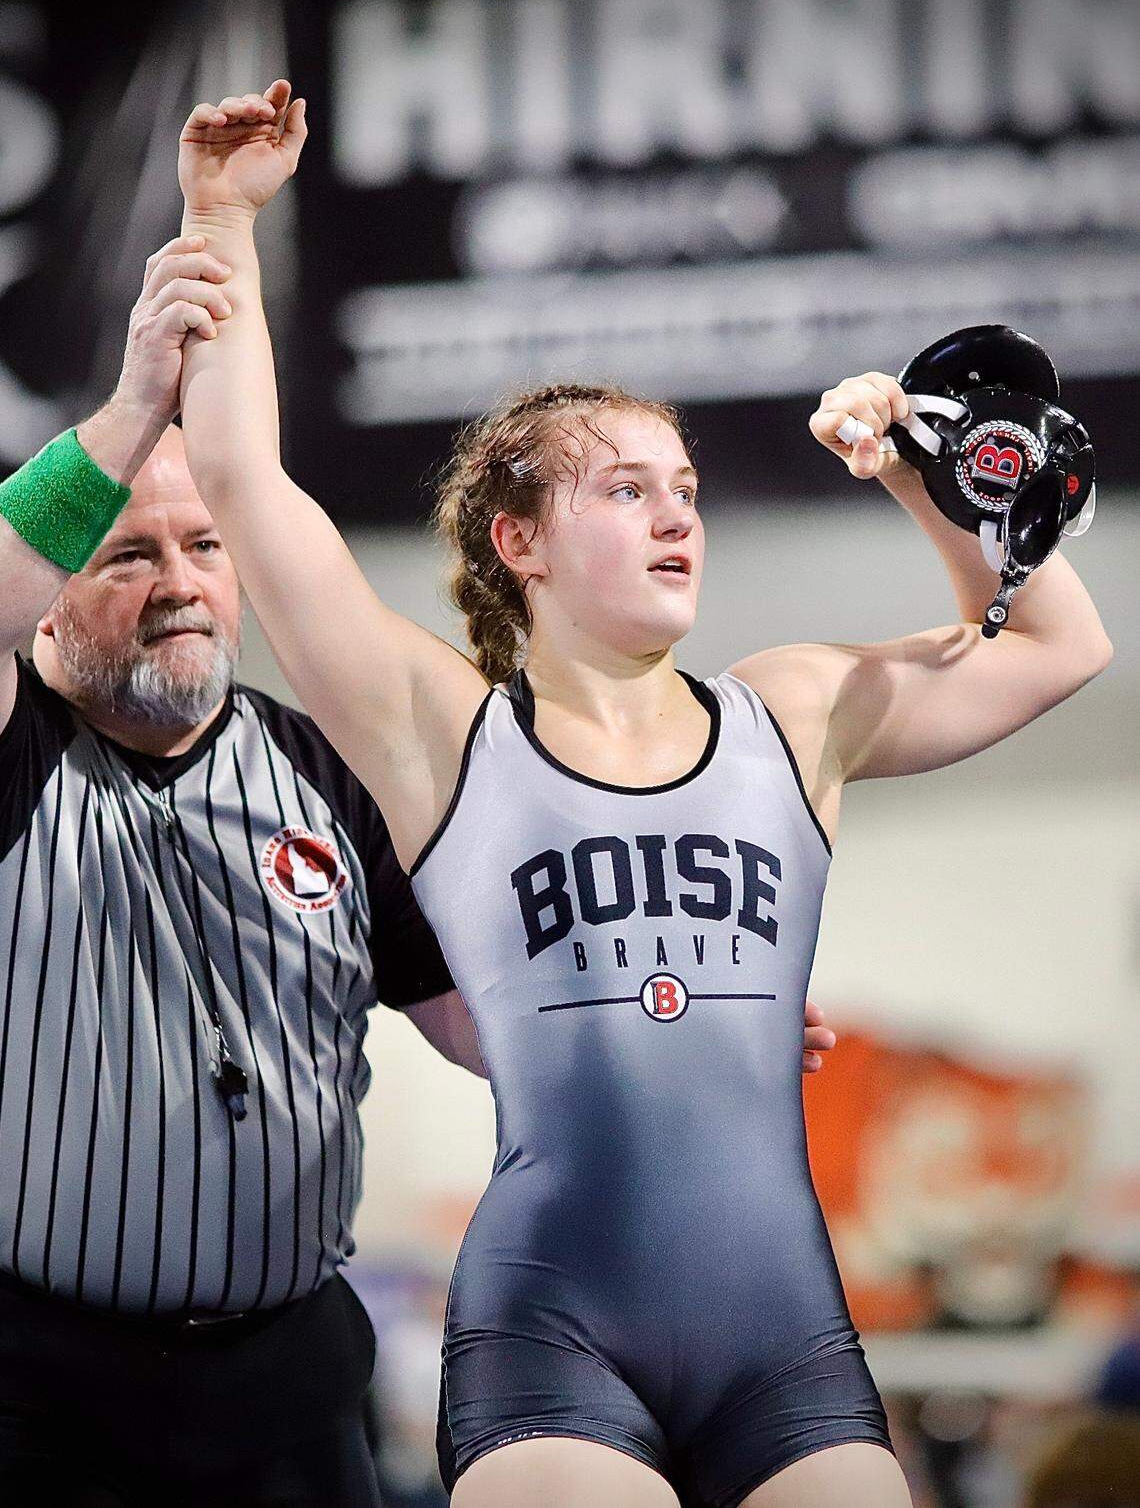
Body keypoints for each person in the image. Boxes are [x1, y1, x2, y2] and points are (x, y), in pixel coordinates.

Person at [175, 82, 1112, 1508]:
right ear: (520, 540)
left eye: (683, 487)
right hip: (554, 1338)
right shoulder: (446, 732)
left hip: (785, 1342)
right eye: (624, 491)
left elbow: (1063, 645)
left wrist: (925, 477)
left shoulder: (794, 709)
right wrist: (224, 218)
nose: (678, 512)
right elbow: (243, 477)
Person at [0, 233, 837, 1508]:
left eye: (208, 550)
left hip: (283, 1382)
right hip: (36, 1383)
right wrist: (130, 415)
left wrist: (671, 1012)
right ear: (54, 592)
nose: (183, 585)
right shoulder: (16, 743)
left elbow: (475, 1011)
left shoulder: (328, 770)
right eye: (130, 555)